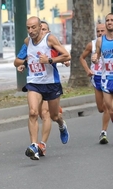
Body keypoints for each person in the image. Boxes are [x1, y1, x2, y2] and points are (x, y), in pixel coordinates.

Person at [20, 16, 70, 160]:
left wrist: (49, 60)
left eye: (34, 27)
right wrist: (23, 62)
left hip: (51, 83)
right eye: (28, 28)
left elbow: (67, 56)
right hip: (34, 83)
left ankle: (61, 124)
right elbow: (18, 59)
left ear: (41, 28)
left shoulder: (50, 39)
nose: (31, 31)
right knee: (33, 112)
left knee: (53, 115)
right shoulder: (27, 41)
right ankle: (34, 146)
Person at [79, 23, 109, 144]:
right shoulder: (92, 44)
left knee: (107, 106)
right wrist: (88, 70)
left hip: (108, 76)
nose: (100, 33)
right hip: (96, 77)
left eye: (102, 31)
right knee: (101, 108)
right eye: (98, 31)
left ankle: (103, 132)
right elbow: (82, 58)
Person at [94, 13, 113, 131]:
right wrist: (95, 58)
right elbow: (97, 56)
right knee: (110, 110)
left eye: (112, 20)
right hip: (106, 79)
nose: (109, 22)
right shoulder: (100, 41)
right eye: (107, 20)